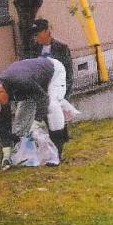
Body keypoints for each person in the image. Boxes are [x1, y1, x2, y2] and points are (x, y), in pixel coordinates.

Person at [0, 57, 68, 170]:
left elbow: (43, 99)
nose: (0, 105)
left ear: (0, 92)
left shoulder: (20, 80)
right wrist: (6, 154)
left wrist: (37, 121)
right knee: (21, 124)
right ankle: (25, 153)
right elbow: (3, 122)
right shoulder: (0, 91)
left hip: (53, 72)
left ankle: (57, 152)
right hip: (31, 85)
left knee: (52, 107)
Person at [29, 18, 73, 155]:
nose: (35, 37)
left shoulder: (61, 48)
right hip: (41, 91)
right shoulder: (34, 49)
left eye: (38, 33)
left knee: (56, 119)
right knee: (47, 121)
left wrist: (65, 95)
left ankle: (57, 152)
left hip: (57, 90)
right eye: (34, 34)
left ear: (47, 32)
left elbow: (68, 73)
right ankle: (51, 149)